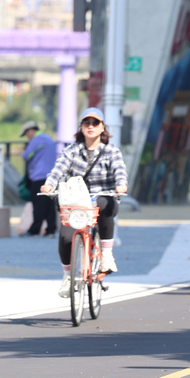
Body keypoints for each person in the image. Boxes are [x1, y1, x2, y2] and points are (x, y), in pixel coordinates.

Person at [41, 108, 128, 297]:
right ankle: (67, 277)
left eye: (95, 123)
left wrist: (121, 184)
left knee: (106, 206)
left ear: (102, 127)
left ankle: (106, 255)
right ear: (81, 127)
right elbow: (58, 169)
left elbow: (119, 170)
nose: (90, 126)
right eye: (86, 123)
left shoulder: (111, 151)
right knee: (65, 237)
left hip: (101, 196)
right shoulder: (72, 150)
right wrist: (49, 185)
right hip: (76, 200)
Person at [18, 120, 58, 237]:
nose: (27, 137)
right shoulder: (49, 139)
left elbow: (26, 156)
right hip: (51, 177)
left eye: (26, 134)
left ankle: (35, 229)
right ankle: (51, 229)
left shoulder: (36, 140)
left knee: (38, 204)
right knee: (50, 204)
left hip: (39, 176)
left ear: (30, 130)